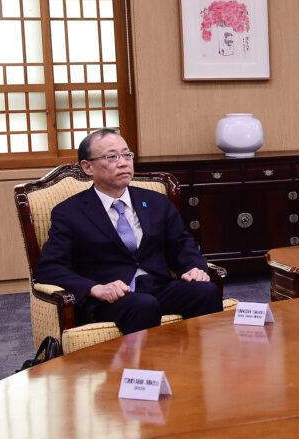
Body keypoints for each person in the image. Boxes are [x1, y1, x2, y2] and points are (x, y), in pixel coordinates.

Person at [36, 129, 223, 334]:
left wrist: (194, 267)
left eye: (127, 155)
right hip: (111, 297)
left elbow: (182, 245)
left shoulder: (156, 201)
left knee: (205, 291)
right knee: (143, 305)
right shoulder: (70, 212)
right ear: (87, 167)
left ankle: (200, 364)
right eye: (112, 157)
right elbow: (50, 267)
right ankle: (144, 367)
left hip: (158, 286)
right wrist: (95, 288)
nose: (123, 162)